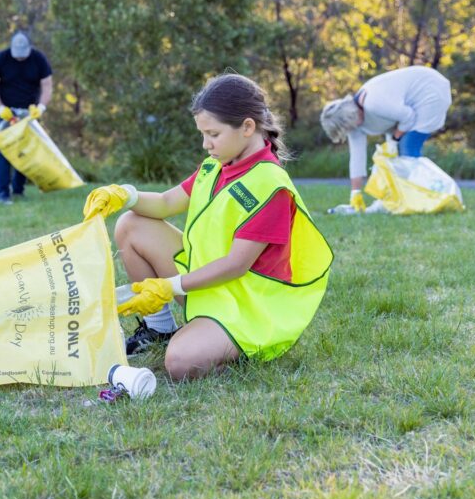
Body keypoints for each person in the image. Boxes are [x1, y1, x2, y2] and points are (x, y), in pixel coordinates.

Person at [82, 74, 333, 379]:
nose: (206, 144)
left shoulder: (271, 186)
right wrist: (124, 194)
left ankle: (228, 344)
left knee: (180, 364)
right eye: (203, 134)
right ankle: (160, 329)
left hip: (245, 306)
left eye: (213, 134)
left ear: (247, 127)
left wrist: (168, 287)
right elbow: (164, 202)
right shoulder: (215, 165)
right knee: (132, 224)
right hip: (207, 283)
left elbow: (236, 265)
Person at [320, 65, 452, 213]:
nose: (350, 132)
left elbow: (408, 117)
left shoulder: (374, 104)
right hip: (413, 104)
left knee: (407, 148)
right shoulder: (354, 123)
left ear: (350, 117)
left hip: (430, 91)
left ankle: (422, 199)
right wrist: (355, 193)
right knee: (395, 158)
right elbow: (357, 158)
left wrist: (394, 140)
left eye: (348, 128)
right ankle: (405, 198)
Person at [0, 31, 53, 205]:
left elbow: (47, 86)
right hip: (6, 113)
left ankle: (18, 190)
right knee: (5, 152)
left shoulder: (39, 59)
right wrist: (0, 108)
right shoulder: (1, 59)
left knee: (25, 152)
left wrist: (41, 107)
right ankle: (3, 193)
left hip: (29, 112)